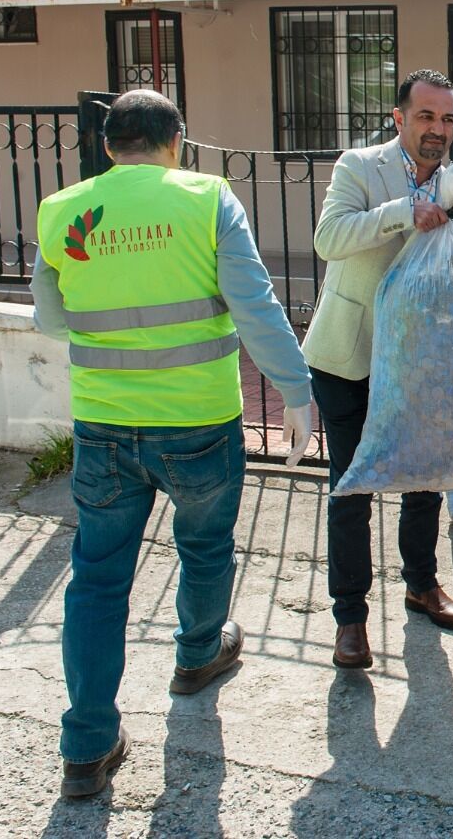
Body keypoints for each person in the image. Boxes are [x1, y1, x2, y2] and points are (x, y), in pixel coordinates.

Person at [32, 89, 314, 799]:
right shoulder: (206, 198)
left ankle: (86, 749)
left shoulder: (62, 210)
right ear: (177, 141)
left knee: (97, 581)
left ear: (106, 144)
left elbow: (49, 316)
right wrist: (298, 393)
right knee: (206, 546)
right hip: (196, 422)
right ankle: (195, 656)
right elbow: (255, 303)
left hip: (102, 425)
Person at [302, 69, 453, 670]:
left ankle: (422, 584)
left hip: (420, 358)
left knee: (424, 480)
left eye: (448, 119)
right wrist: (405, 211)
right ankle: (350, 618)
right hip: (351, 355)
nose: (438, 129)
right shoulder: (360, 166)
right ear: (399, 118)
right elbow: (329, 238)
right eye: (426, 116)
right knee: (351, 489)